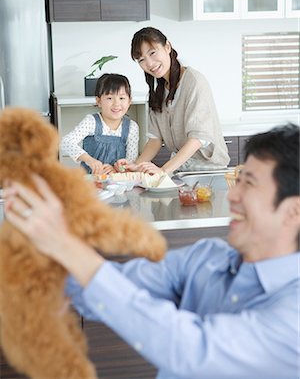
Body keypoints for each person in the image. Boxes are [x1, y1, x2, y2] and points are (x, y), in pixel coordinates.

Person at [3, 123, 300, 379]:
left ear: (293, 211)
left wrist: (66, 245)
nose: (232, 195)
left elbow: (192, 349)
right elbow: (116, 284)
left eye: (248, 184)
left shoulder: (293, 317)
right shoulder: (207, 258)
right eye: (238, 180)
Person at [115, 27, 230, 175]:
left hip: (208, 171)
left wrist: (163, 170)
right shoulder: (158, 91)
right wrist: (136, 166)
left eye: (152, 53)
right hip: (183, 169)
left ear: (167, 47)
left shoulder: (194, 82)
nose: (149, 63)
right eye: (142, 60)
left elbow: (198, 138)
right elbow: (155, 139)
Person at [61, 73, 139, 175]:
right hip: (90, 179)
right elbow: (66, 142)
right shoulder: (91, 122)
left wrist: (116, 169)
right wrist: (89, 160)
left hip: (117, 181)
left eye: (122, 98)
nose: (116, 104)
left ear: (129, 101)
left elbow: (131, 161)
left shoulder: (132, 127)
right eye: (110, 98)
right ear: (99, 101)